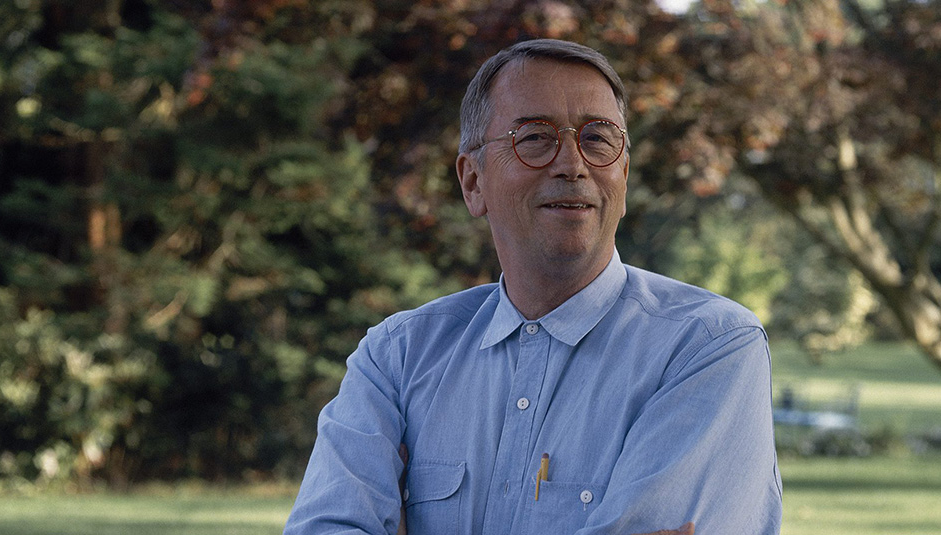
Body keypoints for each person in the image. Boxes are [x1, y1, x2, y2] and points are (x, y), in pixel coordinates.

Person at [283, 39, 782, 535]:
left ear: (624, 176)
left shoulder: (708, 347)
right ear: (473, 182)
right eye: (536, 138)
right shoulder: (397, 359)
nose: (573, 164)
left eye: (598, 139)